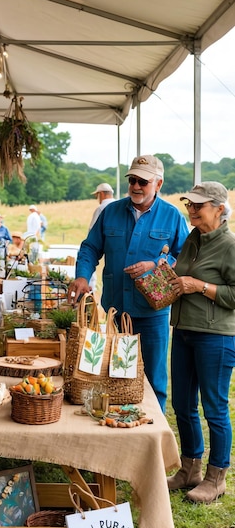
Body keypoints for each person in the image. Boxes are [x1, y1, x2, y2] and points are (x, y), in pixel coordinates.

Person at [68, 155, 189, 412]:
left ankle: (153, 431)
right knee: (117, 372)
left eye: (142, 182)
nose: (135, 186)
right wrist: (82, 275)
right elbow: (90, 248)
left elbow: (185, 257)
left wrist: (157, 263)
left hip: (152, 313)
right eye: (132, 180)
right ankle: (121, 422)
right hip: (115, 309)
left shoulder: (172, 216)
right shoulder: (110, 211)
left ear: (158, 184)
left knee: (154, 378)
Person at [167, 182, 235, 503]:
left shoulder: (229, 245)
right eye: (189, 205)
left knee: (215, 409)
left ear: (219, 209)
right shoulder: (192, 239)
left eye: (198, 205)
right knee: (182, 404)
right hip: (183, 331)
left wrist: (198, 286)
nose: (191, 210)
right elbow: (185, 275)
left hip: (216, 338)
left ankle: (216, 478)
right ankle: (189, 469)